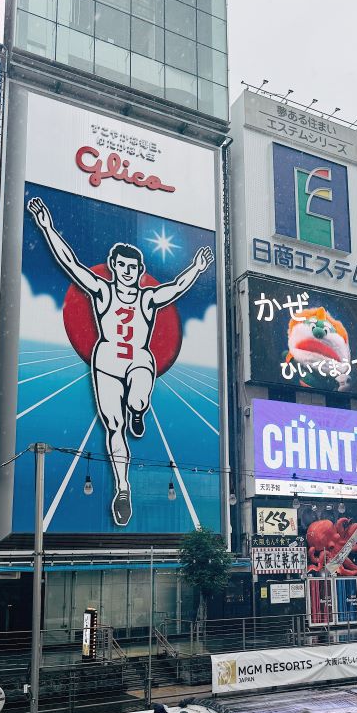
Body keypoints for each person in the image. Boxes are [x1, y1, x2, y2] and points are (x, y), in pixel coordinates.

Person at [27, 196, 214, 526]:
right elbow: (71, 264)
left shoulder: (148, 297)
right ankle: (123, 488)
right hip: (107, 360)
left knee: (139, 397)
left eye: (133, 268)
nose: (127, 272)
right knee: (114, 426)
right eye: (122, 267)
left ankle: (138, 410)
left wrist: (197, 268)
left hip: (139, 358)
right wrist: (47, 226)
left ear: (140, 272)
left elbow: (176, 287)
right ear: (114, 268)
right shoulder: (102, 291)